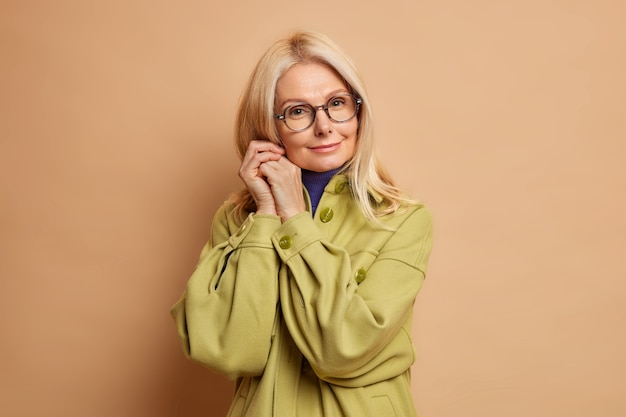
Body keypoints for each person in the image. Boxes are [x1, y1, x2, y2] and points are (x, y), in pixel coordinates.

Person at [171, 30, 433, 417]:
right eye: (298, 111)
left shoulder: (403, 219)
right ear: (269, 126)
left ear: (359, 112)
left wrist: (295, 219)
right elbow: (231, 351)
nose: (325, 126)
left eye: (337, 103)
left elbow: (341, 348)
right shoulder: (237, 219)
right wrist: (265, 216)